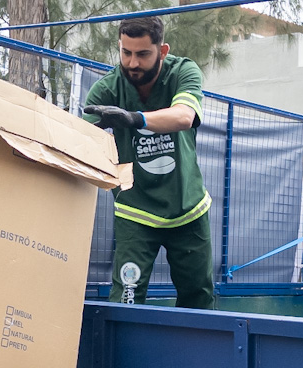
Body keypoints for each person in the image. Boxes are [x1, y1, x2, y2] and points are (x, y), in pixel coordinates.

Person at [83, 16, 214, 309]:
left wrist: (134, 118)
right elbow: (81, 141)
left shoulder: (183, 72)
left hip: (188, 209)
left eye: (142, 54)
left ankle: (197, 355)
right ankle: (123, 354)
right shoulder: (107, 90)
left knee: (199, 299)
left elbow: (184, 116)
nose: (132, 63)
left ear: (162, 51)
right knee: (126, 300)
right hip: (136, 212)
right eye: (126, 53)